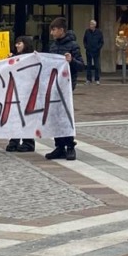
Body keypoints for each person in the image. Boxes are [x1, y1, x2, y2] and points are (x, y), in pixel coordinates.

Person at [46, 17, 81, 160]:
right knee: (55, 115)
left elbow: (81, 65)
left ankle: (70, 146)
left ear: (61, 30)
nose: (52, 33)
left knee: (66, 115)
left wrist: (71, 60)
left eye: (54, 30)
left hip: (66, 85)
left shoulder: (73, 45)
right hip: (55, 84)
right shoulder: (53, 46)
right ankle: (59, 145)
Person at [5, 35, 37, 153]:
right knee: (15, 115)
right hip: (15, 91)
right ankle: (14, 140)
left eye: (19, 43)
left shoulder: (32, 57)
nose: (16, 45)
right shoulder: (15, 57)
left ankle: (28, 142)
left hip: (28, 91)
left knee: (26, 115)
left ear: (26, 44)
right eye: (16, 43)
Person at [82, 19, 104, 84]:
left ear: (95, 25)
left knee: (96, 65)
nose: (90, 25)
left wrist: (98, 48)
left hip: (96, 51)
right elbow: (84, 40)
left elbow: (101, 42)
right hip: (88, 51)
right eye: (90, 24)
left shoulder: (99, 32)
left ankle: (97, 79)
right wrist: (86, 46)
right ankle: (88, 79)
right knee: (88, 66)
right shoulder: (87, 31)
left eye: (92, 24)